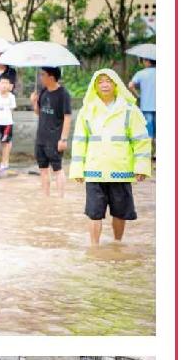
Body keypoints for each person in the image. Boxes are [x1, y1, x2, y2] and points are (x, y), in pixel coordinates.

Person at [68, 69, 151, 246]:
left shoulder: (129, 110)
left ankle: (117, 244)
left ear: (116, 84)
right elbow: (79, 141)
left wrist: (141, 167)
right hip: (94, 169)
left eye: (108, 81)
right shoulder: (87, 110)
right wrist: (77, 169)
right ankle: (94, 248)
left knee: (120, 212)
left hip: (120, 169)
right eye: (100, 81)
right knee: (94, 212)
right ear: (95, 86)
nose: (104, 85)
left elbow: (141, 141)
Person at [30, 67, 72, 197]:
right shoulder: (43, 91)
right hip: (41, 138)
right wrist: (33, 102)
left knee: (57, 169)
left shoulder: (63, 94)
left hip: (55, 138)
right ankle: (46, 199)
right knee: (43, 169)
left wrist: (63, 139)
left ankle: (61, 198)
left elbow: (67, 117)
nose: (41, 77)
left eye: (43, 75)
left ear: (51, 77)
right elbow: (39, 112)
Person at [129, 57, 156, 154]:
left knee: (149, 132)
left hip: (146, 106)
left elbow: (131, 85)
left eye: (144, 60)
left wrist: (138, 95)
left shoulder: (141, 73)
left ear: (148, 61)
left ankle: (150, 152)